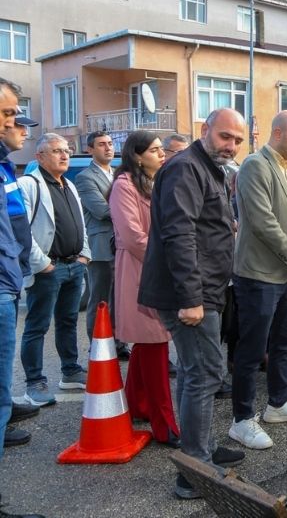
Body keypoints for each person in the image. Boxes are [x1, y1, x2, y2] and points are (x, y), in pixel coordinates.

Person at [138, 109, 247, 500]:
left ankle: (197, 449)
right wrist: (191, 299)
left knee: (192, 372)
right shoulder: (186, 168)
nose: (231, 145)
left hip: (205, 291)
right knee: (205, 373)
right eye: (224, 137)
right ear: (205, 131)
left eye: (237, 140)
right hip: (191, 295)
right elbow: (179, 234)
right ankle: (195, 471)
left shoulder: (210, 168)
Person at [228, 111, 287, 450]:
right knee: (252, 349)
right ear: (277, 132)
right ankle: (242, 419)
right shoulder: (255, 165)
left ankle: (278, 403)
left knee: (285, 342)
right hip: (259, 275)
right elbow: (261, 219)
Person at [109, 131, 178, 446]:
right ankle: (165, 426)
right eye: (154, 150)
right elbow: (134, 237)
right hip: (141, 270)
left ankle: (135, 404)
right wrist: (171, 254)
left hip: (154, 266)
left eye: (161, 149)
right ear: (137, 156)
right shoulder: (124, 185)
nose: (161, 154)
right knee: (154, 344)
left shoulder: (152, 182)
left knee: (148, 345)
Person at [18, 133, 92, 407]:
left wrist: (84, 254)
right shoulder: (29, 185)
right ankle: (34, 383)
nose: (64, 155)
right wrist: (43, 263)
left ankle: (70, 371)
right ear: (39, 157)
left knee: (68, 321)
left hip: (74, 265)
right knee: (37, 326)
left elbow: (80, 223)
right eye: (57, 151)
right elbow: (22, 230)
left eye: (66, 151)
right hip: (48, 268)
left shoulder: (68, 185)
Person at [0, 80, 44, 518]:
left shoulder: (6, 170)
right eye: (8, 114)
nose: (15, 123)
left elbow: (14, 230)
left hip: (9, 283)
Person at [76, 131, 129, 359]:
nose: (108, 148)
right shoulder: (85, 177)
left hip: (120, 243)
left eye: (110, 144)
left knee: (119, 298)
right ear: (90, 149)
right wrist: (131, 211)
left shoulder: (118, 174)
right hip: (100, 247)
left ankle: (118, 344)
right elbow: (101, 210)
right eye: (101, 145)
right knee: (100, 300)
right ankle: (97, 347)